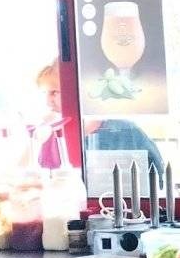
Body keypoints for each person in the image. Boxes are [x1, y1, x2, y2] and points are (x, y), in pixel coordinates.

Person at [35, 60, 166, 176]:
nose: (48, 102)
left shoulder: (127, 132)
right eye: (44, 93)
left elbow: (159, 180)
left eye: (54, 92)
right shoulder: (50, 137)